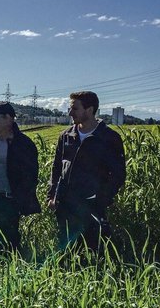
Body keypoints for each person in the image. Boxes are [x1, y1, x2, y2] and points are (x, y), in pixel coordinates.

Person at [47, 91, 126, 252]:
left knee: (92, 250)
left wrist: (101, 199)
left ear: (89, 110)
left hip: (92, 206)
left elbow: (118, 175)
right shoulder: (66, 136)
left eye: (74, 109)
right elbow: (56, 168)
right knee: (66, 249)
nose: (70, 113)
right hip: (65, 204)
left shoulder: (109, 138)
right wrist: (52, 196)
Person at [0, 102, 41, 252]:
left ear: (9, 118)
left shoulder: (23, 144)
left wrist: (17, 200)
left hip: (8, 202)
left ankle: (8, 271)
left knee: (8, 243)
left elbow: (30, 177)